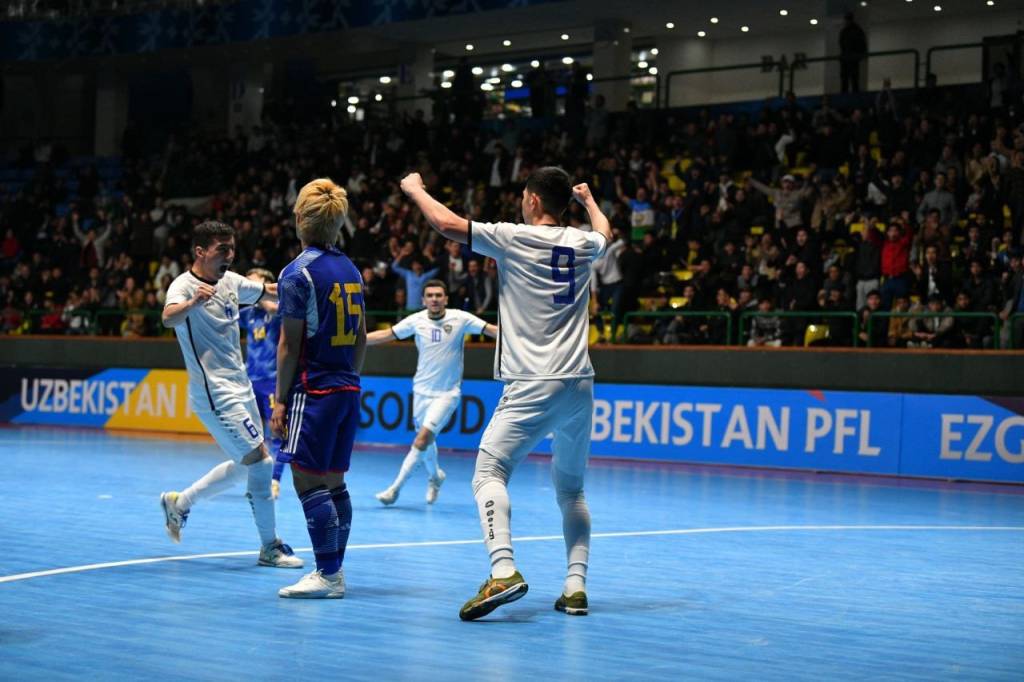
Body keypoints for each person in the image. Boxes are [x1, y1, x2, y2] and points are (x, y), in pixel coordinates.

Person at [399, 167, 613, 621]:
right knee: (572, 490)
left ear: (533, 200)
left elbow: (447, 224)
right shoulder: (581, 243)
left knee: (488, 473)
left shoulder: (514, 237)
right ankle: (575, 588)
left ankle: (503, 569)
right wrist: (590, 201)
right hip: (580, 382)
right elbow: (604, 233)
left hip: (533, 381)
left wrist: (415, 189)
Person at [159, 221, 302, 570]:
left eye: (232, 248)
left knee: (245, 466)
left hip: (242, 386)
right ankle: (270, 546)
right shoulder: (183, 286)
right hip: (215, 394)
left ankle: (180, 503)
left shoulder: (231, 281)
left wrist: (303, 286)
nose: (230, 255)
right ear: (200, 252)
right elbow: (167, 317)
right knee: (261, 463)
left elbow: (267, 290)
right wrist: (193, 302)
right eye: (222, 249)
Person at [271, 178, 366, 599]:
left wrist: (279, 400)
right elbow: (361, 336)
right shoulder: (351, 269)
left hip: (313, 391)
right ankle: (334, 569)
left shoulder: (296, 274)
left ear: (299, 219)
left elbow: (289, 345)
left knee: (307, 481)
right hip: (347, 387)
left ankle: (328, 574)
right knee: (335, 482)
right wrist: (350, 378)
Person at [367, 279, 497, 506]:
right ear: (423, 300)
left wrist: (520, 337)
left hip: (447, 393)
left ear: (446, 299)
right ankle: (436, 476)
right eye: (430, 295)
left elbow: (491, 330)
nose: (434, 299)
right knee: (426, 440)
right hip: (420, 391)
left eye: (438, 295)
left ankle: (395, 489)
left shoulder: (460, 318)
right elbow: (386, 334)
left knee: (422, 439)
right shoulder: (416, 320)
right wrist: (355, 341)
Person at [238, 267, 286, 499]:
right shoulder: (247, 314)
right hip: (250, 381)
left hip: (273, 380)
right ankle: (258, 480)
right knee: (253, 436)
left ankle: (275, 480)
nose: (246, 286)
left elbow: (278, 310)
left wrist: (263, 297)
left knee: (277, 432)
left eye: (252, 283)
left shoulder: (278, 308)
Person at [839, 12, 867, 93]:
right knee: (852, 78)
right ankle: (853, 94)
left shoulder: (846, 31)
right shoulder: (856, 30)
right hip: (851, 58)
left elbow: (842, 44)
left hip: (850, 58)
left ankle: (847, 94)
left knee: (848, 79)